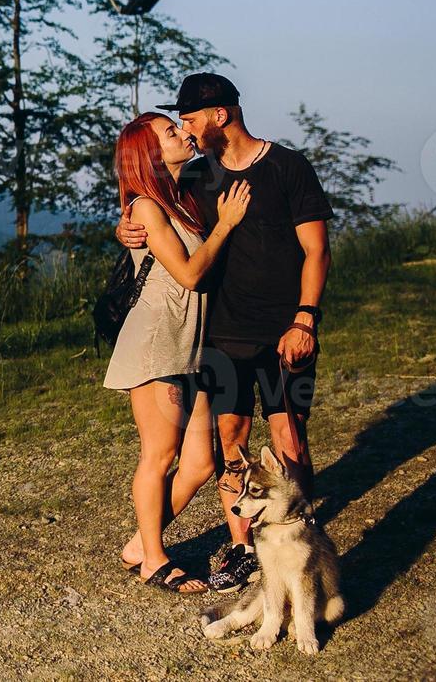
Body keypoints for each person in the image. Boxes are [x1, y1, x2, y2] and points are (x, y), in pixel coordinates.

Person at [117, 73, 333, 593]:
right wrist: (122, 228)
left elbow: (317, 251)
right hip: (220, 336)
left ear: (221, 114)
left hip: (286, 332)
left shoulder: (287, 167)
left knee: (291, 441)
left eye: (188, 119)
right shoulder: (194, 177)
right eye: (178, 124)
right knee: (230, 445)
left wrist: (305, 319)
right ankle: (242, 549)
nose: (186, 130)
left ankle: (297, 536)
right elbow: (150, 211)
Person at [108, 112, 251, 594]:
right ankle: (153, 559)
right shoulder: (147, 206)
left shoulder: (179, 195)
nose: (183, 133)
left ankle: (138, 544)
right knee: (160, 454)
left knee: (200, 464)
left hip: (188, 347)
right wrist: (226, 225)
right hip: (154, 346)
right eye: (172, 132)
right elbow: (190, 274)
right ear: (151, 152)